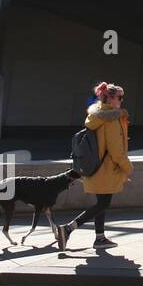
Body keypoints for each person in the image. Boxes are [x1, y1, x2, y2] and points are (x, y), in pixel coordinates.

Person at [57, 82, 133, 250]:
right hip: (107, 168)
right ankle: (68, 229)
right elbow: (116, 149)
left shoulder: (96, 117)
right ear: (110, 98)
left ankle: (100, 238)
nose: (122, 100)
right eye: (120, 97)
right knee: (103, 204)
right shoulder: (111, 119)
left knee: (101, 202)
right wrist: (127, 167)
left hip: (94, 167)